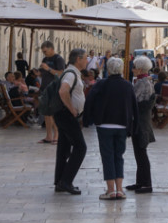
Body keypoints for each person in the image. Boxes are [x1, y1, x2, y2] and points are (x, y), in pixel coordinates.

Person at [86, 57, 136, 200]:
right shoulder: (127, 85)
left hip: (104, 125)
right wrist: (133, 125)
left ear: (108, 69)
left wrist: (88, 119)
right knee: (118, 156)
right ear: (121, 70)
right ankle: (120, 189)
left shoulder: (101, 84)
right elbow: (134, 106)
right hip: (121, 125)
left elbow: (90, 100)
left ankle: (110, 190)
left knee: (107, 156)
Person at [54, 49, 89, 195]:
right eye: (85, 58)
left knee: (63, 148)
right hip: (67, 115)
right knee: (80, 147)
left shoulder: (73, 72)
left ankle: (60, 181)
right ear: (78, 59)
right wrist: (72, 109)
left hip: (63, 115)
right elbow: (63, 91)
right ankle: (66, 181)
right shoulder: (70, 73)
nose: (87, 61)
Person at [127, 56, 157, 194]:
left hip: (141, 122)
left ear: (139, 69)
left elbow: (132, 99)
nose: (132, 69)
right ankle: (140, 182)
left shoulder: (142, 83)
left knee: (141, 153)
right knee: (139, 153)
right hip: (142, 121)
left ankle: (146, 184)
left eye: (134, 67)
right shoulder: (145, 81)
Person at [39, 41, 65, 145]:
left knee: (54, 113)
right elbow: (44, 73)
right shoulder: (45, 59)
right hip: (45, 88)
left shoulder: (58, 59)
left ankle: (57, 136)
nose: (44, 53)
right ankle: (48, 136)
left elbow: (61, 73)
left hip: (54, 88)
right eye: (43, 51)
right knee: (46, 113)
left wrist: (48, 69)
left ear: (51, 49)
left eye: (45, 51)